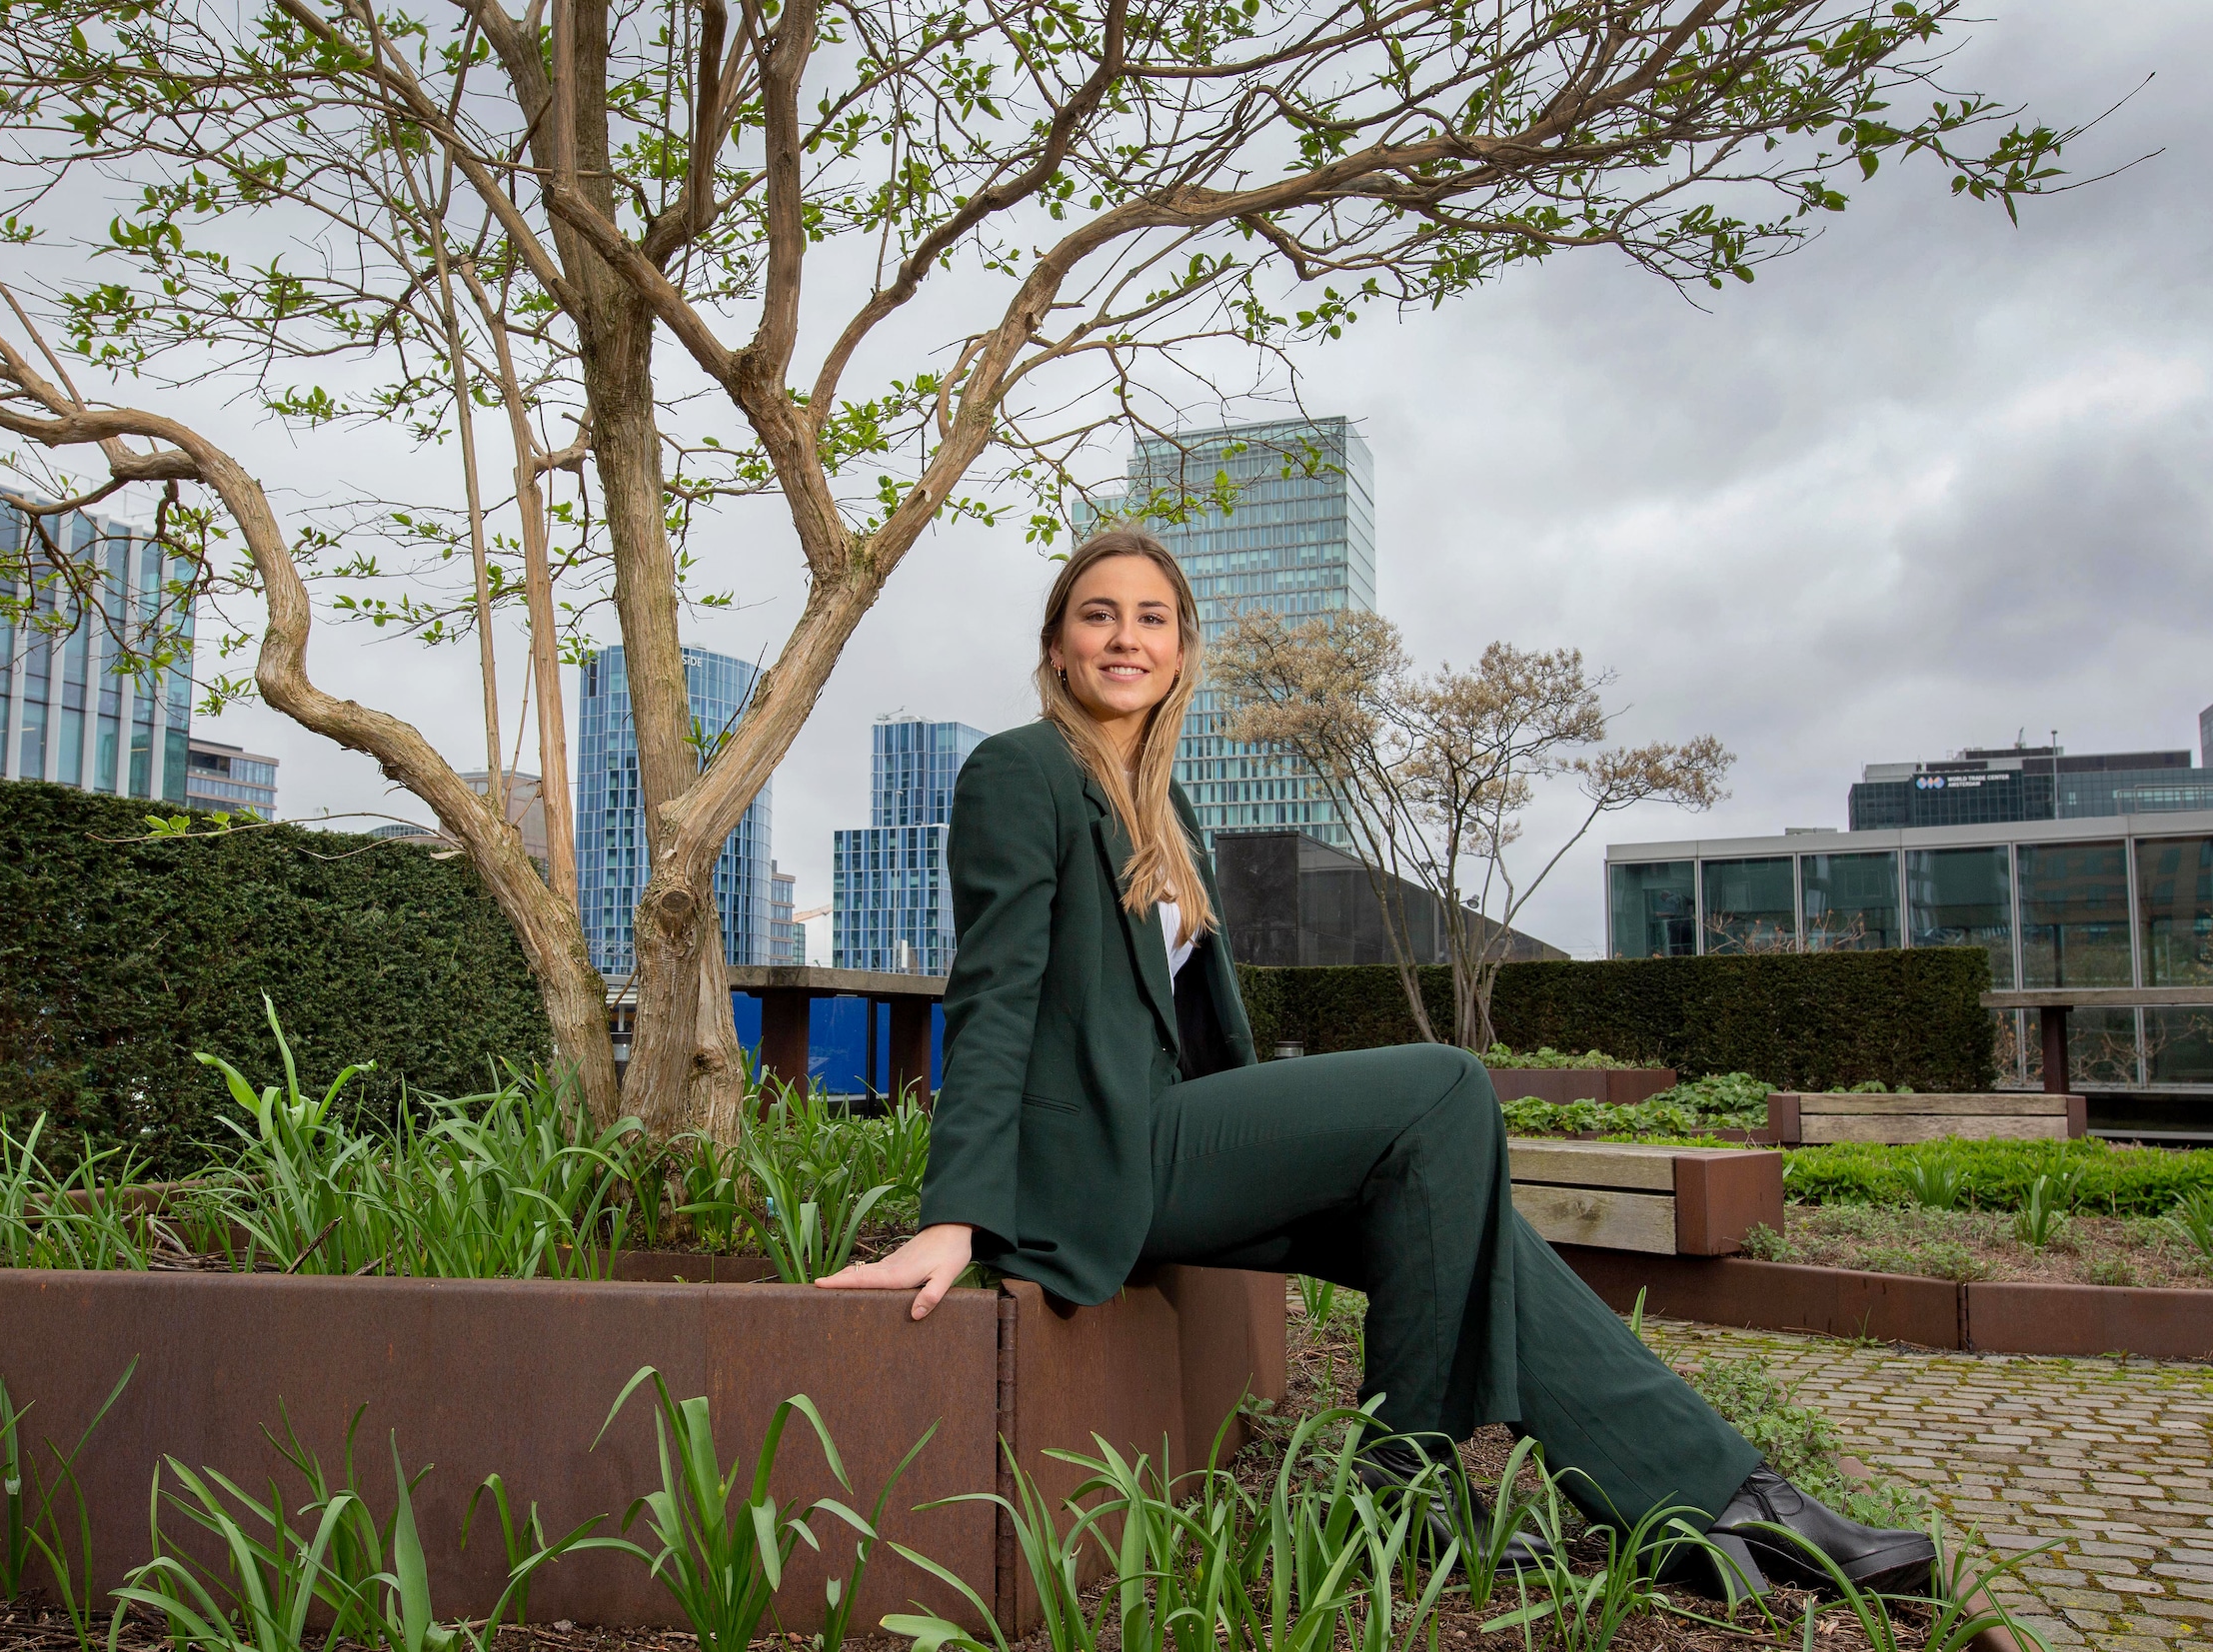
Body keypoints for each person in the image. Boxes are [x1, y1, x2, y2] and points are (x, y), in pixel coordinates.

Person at [817, 527, 1934, 1600]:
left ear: (1182, 648)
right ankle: (1405, 1484)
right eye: (1096, 615)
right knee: (1442, 1084)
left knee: (1472, 1237)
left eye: (1150, 618)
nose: (1124, 638)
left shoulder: (1167, 804)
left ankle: (1723, 1498)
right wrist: (955, 1215)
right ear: (1056, 644)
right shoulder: (1019, 773)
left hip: (1169, 1137)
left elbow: (1190, 1028)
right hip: (1095, 1163)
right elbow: (995, 995)